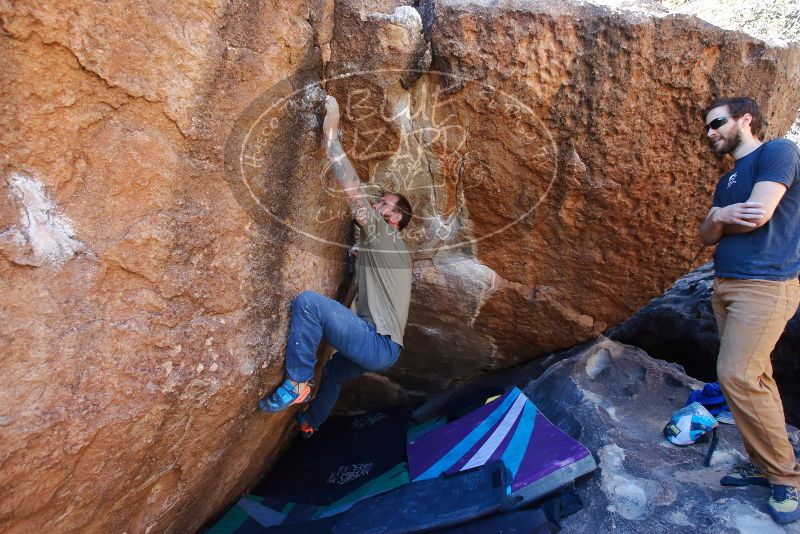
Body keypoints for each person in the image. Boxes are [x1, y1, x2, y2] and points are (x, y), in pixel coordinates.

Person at [258, 95, 413, 438]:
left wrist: (331, 135)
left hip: (375, 343)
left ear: (396, 219)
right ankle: (311, 422)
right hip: (385, 350)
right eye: (380, 202)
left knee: (309, 304)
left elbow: (354, 193)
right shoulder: (394, 252)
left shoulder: (386, 237)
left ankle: (298, 382)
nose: (377, 206)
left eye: (385, 205)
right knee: (333, 374)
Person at [698, 96, 800, 524]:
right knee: (755, 377)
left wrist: (722, 219)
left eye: (717, 123)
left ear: (745, 119)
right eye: (706, 128)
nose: (711, 133)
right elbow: (707, 234)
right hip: (726, 286)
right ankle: (763, 463)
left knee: (736, 375)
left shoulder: (778, 151)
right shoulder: (728, 182)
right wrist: (720, 213)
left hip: (766, 284)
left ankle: (785, 478)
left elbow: (758, 215)